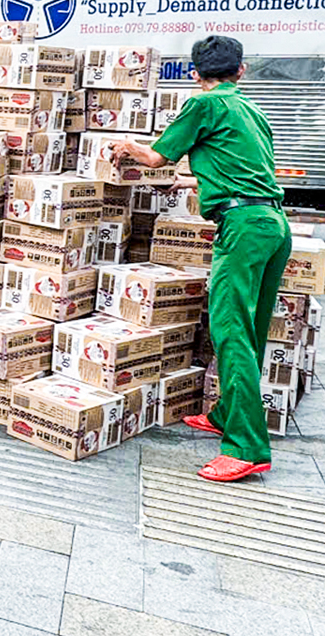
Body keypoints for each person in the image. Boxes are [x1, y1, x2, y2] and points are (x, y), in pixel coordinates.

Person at [111, 34, 291, 483]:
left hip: (245, 230)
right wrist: (192, 186)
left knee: (230, 332)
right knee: (249, 331)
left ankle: (247, 448)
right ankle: (228, 415)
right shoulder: (251, 110)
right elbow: (245, 172)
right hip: (273, 224)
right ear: (242, 71)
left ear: (195, 74)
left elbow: (155, 157)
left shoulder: (203, 104)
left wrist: (127, 147)